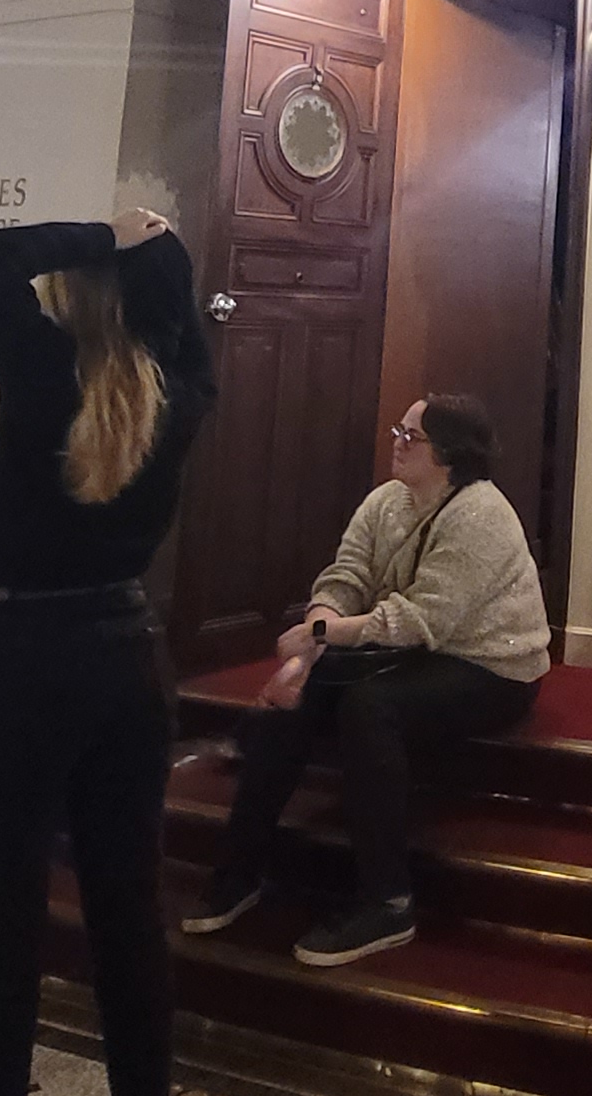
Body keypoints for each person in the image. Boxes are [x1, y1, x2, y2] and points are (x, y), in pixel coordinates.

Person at [0, 211, 211, 1096]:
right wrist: (153, 251)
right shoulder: (182, 388)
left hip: (22, 656)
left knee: (0, 938)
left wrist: (99, 230)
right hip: (128, 658)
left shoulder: (40, 365)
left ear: (68, 294)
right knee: (128, 915)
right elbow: (177, 315)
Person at [186, 395, 549, 966]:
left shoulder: (482, 513)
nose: (396, 443)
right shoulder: (387, 501)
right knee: (293, 702)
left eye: (411, 436)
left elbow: (423, 618)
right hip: (409, 651)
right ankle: (240, 870)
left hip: (489, 665)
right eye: (398, 431)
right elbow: (346, 577)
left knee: (370, 706)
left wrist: (322, 633)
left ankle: (388, 900)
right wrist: (305, 655)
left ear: (450, 453)